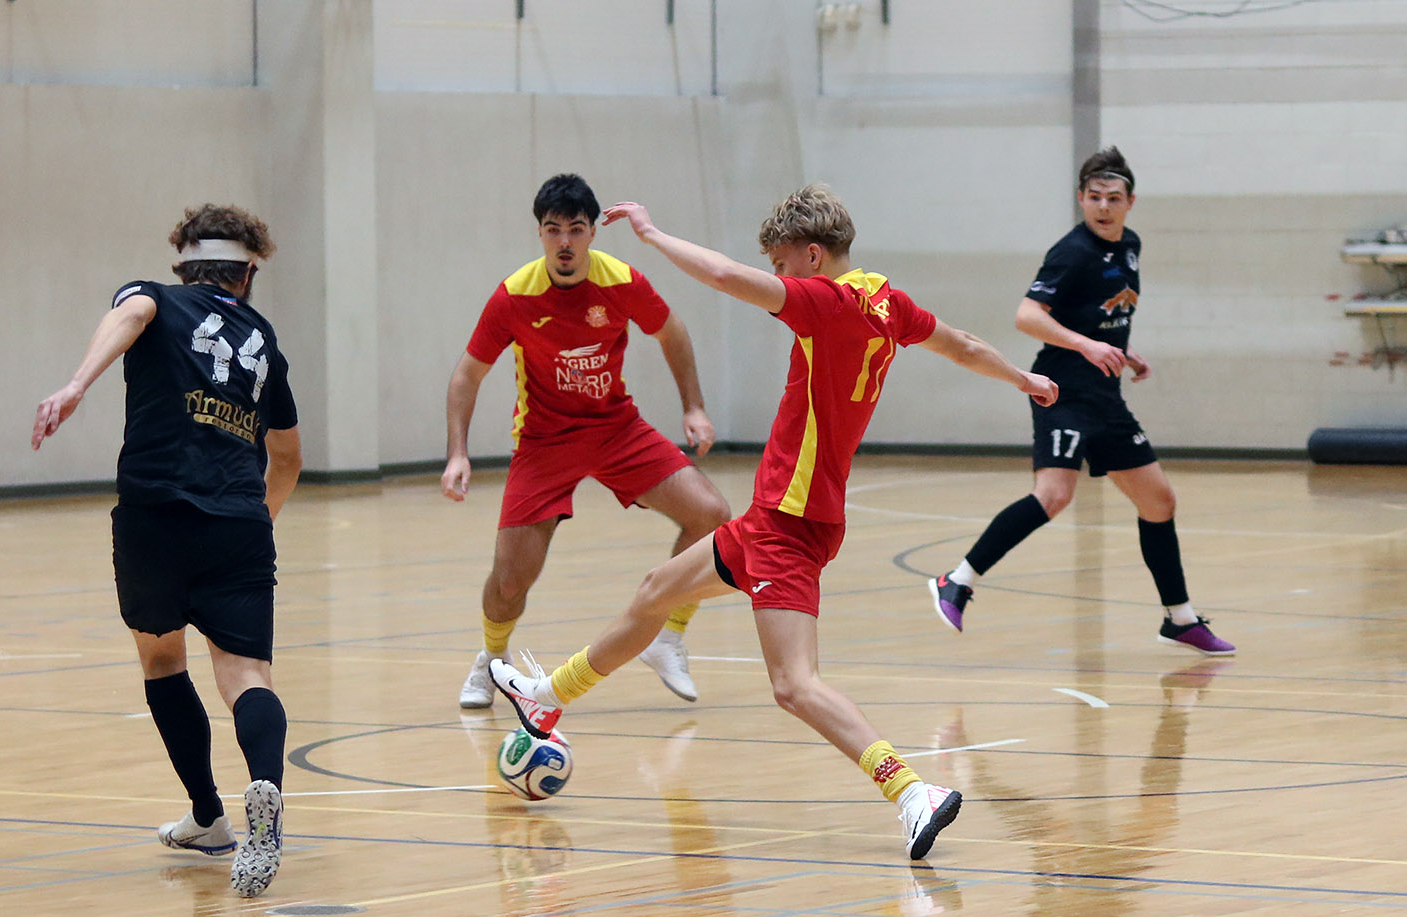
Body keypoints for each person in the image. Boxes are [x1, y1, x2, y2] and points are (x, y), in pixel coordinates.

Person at [489, 185, 1059, 860]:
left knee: (794, 685)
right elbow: (961, 345)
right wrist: (1021, 378)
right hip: (777, 517)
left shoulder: (824, 303)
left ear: (813, 257)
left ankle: (913, 792)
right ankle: (548, 699)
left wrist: (651, 234)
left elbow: (724, 275)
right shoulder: (886, 300)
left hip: (790, 523)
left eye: (783, 265)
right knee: (654, 593)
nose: (780, 277)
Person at [31, 204, 300, 897]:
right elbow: (287, 458)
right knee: (246, 675)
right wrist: (257, 521)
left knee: (161, 659)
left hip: (155, 512)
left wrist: (77, 384)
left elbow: (133, 313)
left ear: (184, 267)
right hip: (239, 520)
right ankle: (265, 790)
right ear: (247, 275)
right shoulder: (264, 340)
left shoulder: (155, 297)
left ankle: (210, 816)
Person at [926, 147, 1234, 656]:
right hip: (1062, 389)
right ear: (1081, 199)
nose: (1103, 207)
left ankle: (1179, 620)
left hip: (1105, 396)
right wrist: (1088, 347)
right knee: (1053, 495)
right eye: (1094, 198)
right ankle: (957, 581)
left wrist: (1121, 352)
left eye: (1113, 198)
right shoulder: (1072, 251)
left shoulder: (1129, 245)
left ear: (1130, 202)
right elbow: (1027, 316)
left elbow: (1097, 314)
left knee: (1158, 502)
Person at [443, 174, 731, 709]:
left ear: (593, 233)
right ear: (540, 233)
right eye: (554, 230)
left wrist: (693, 406)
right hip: (544, 441)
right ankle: (492, 660)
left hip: (616, 428)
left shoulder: (621, 281)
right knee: (510, 582)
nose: (565, 242)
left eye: (576, 229)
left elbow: (672, 333)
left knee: (712, 515)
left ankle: (667, 637)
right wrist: (458, 453)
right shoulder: (515, 295)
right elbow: (467, 375)